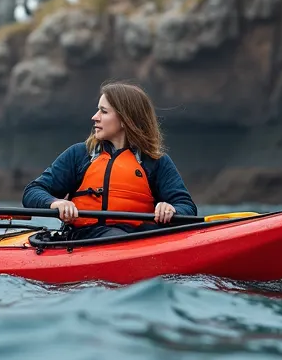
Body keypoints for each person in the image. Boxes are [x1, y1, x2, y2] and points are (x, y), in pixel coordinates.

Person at [22, 81, 197, 240]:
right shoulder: (80, 154)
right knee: (114, 236)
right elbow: (33, 191)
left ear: (126, 120)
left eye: (104, 111)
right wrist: (55, 203)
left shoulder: (155, 161)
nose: (95, 117)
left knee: (123, 236)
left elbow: (187, 208)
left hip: (139, 239)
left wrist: (172, 210)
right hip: (83, 238)